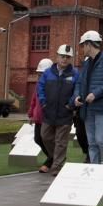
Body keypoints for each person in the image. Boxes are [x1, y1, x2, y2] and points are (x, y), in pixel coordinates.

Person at [72, 30, 103, 166]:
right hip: (88, 109)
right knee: (92, 142)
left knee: (100, 139)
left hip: (102, 108)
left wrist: (96, 93)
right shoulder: (87, 63)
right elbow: (80, 82)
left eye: (83, 45)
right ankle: (95, 170)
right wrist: (77, 96)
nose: (82, 48)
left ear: (89, 44)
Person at [38, 45, 79, 175]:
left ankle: (57, 168)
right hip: (48, 112)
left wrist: (70, 105)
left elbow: (77, 90)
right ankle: (57, 158)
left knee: (61, 142)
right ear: (57, 56)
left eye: (68, 57)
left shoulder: (75, 73)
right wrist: (44, 103)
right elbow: (40, 88)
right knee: (45, 137)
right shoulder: (48, 73)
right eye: (62, 56)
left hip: (65, 113)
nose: (65, 59)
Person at [28, 58, 54, 173]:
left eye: (42, 73)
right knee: (38, 139)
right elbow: (34, 100)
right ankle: (53, 157)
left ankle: (50, 161)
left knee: (46, 139)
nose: (40, 76)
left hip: (47, 118)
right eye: (39, 74)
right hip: (38, 118)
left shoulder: (53, 85)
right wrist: (31, 114)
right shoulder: (39, 84)